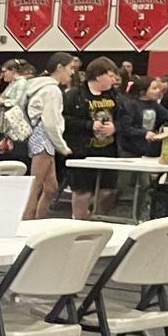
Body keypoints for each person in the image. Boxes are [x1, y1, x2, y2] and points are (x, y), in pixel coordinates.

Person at [63, 58, 140, 220]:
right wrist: (88, 125)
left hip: (109, 149)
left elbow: (127, 118)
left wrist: (115, 127)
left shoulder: (115, 96)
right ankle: (79, 220)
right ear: (98, 76)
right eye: (110, 76)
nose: (114, 80)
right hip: (82, 150)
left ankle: (99, 217)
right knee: (82, 190)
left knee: (108, 190)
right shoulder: (74, 95)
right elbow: (64, 120)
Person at [22, 53, 74, 220]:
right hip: (44, 136)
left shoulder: (41, 87)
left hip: (42, 136)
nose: (72, 73)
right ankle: (27, 221)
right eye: (70, 68)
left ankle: (38, 219)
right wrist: (62, 147)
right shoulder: (52, 90)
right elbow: (51, 122)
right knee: (35, 185)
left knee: (51, 187)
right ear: (59, 67)